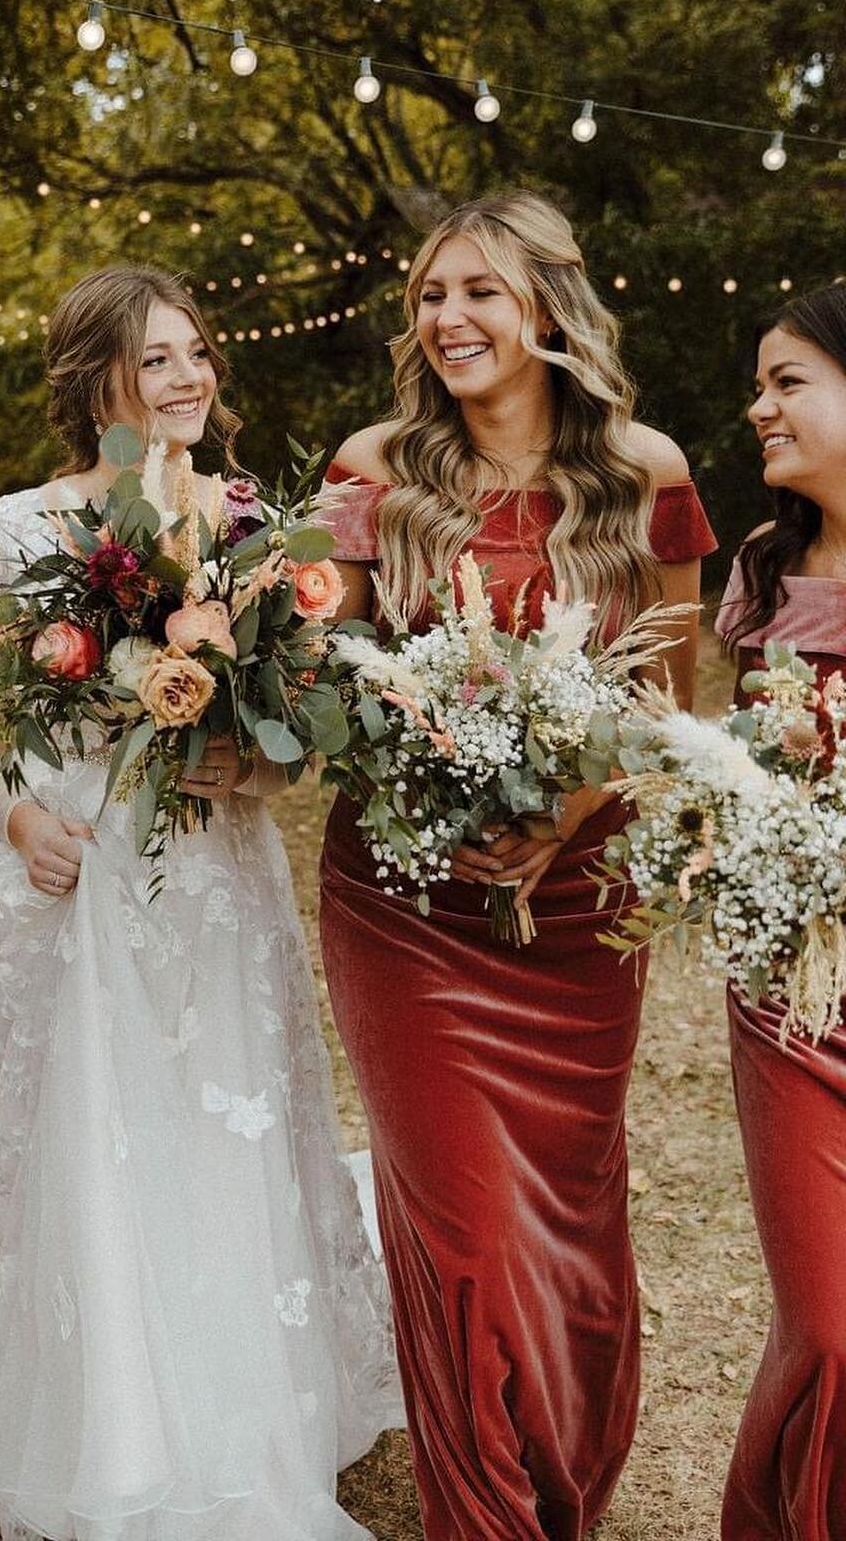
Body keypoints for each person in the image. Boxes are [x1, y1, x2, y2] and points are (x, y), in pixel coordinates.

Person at [0, 263, 404, 1541]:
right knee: (98, 1138)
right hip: (68, 887)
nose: (188, 378)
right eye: (157, 357)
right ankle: (116, 1427)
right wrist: (18, 820)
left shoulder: (250, 529)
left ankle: (253, 1416)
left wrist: (258, 759)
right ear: (95, 381)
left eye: (198, 353)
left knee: (218, 1128)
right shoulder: (17, 533)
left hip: (215, 888)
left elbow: (287, 733)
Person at [318, 192, 714, 1540]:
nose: (450, 321)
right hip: (402, 899)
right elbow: (330, 680)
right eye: (432, 296)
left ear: (550, 306)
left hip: (577, 904)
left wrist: (571, 799)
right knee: (461, 1228)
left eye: (480, 292)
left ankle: (568, 1471)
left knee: (570, 1206)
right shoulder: (377, 465)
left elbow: (678, 709)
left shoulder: (644, 473)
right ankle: (481, 1511)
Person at [716, 281, 846, 1540]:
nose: (759, 406)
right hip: (792, 996)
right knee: (830, 1325)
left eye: (789, 380)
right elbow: (731, 767)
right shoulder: (761, 575)